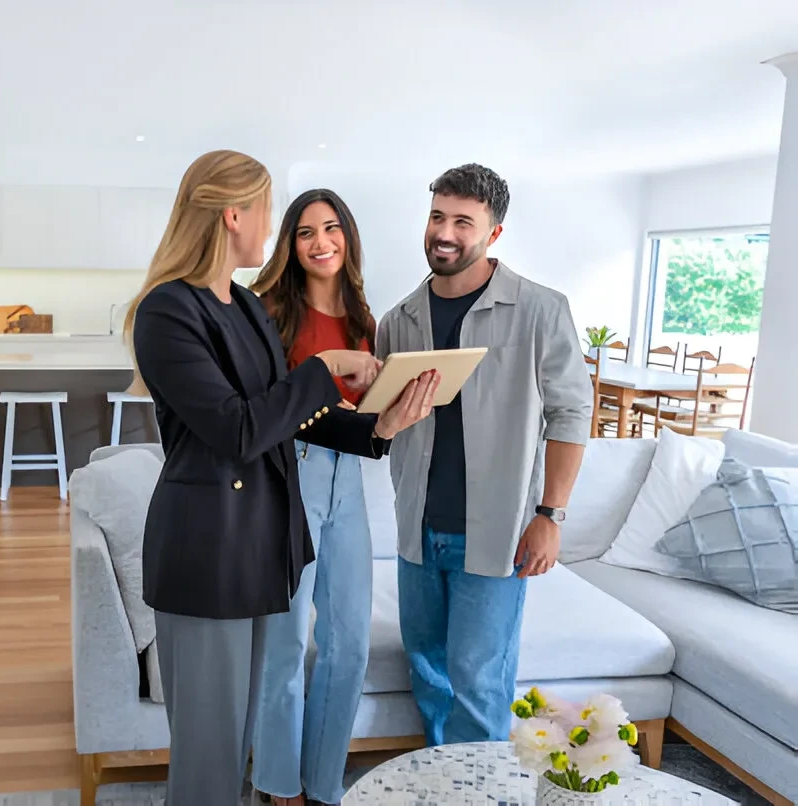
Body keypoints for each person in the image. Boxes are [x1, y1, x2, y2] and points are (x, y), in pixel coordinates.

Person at [127, 150, 439, 806]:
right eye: (269, 210)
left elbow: (288, 419)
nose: (272, 226)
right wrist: (322, 367)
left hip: (263, 545)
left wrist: (377, 429)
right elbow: (237, 429)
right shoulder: (167, 311)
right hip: (209, 552)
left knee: (240, 735)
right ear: (233, 213)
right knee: (209, 763)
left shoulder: (241, 305)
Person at [375, 163, 592, 747]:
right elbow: (382, 422)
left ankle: (481, 790)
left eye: (463, 222)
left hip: (495, 535)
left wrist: (551, 516)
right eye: (437, 216)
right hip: (417, 531)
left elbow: (571, 415)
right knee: (426, 673)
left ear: (493, 233)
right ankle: (443, 781)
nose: (445, 233)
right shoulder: (399, 320)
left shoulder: (541, 310)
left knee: (478, 681)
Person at [247, 189, 380, 806]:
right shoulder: (269, 311)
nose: (320, 242)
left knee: (350, 642)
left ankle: (325, 784)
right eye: (305, 232)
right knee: (286, 640)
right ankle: (279, 785)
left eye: (331, 229)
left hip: (349, 476)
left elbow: (364, 411)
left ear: (347, 236)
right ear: (290, 245)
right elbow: (272, 412)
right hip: (289, 475)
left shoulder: (364, 317)